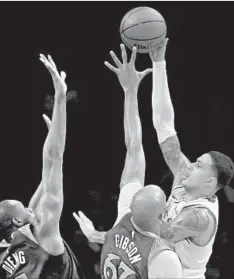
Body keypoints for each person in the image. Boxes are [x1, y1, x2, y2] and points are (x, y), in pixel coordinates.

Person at [74, 39, 234, 279]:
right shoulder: (187, 178)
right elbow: (165, 128)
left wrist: (99, 236)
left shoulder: (199, 217)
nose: (189, 165)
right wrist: (159, 64)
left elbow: (148, 234)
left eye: (198, 165)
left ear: (210, 183)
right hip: (155, 266)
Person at [74, 45, 182, 279]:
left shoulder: (122, 219)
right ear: (162, 217)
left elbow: (134, 147)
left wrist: (130, 91)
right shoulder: (162, 256)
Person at [0, 54, 85, 279]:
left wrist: (53, 141)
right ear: (17, 221)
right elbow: (54, 160)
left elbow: (45, 177)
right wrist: (60, 98)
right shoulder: (44, 230)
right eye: (23, 207)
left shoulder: (0, 253)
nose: (29, 206)